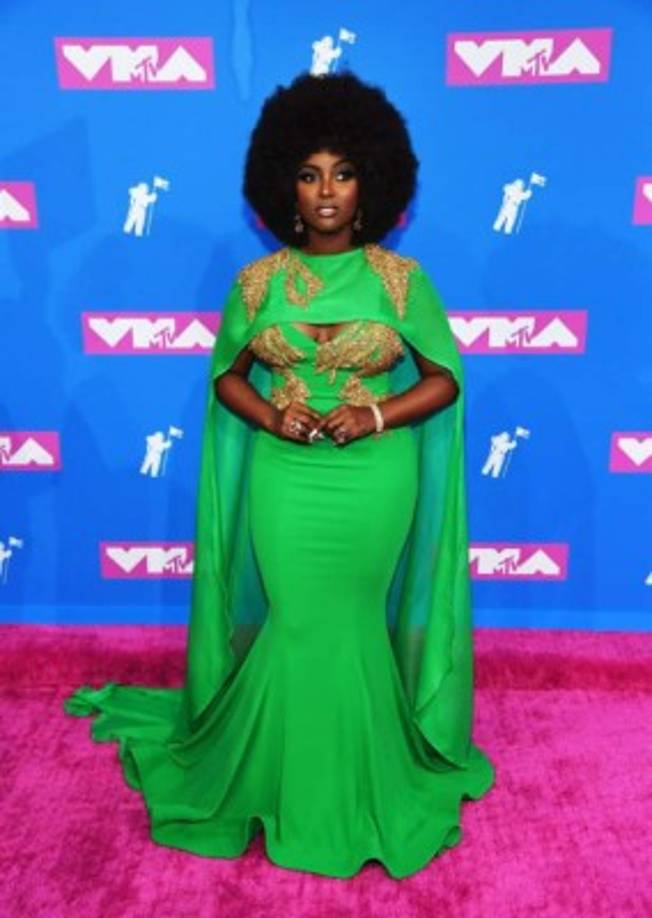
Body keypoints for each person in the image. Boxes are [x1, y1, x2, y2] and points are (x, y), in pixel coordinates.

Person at [63, 70, 495, 879]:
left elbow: (444, 380)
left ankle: (361, 784)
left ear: (372, 180)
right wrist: (271, 416)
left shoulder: (404, 283)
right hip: (283, 481)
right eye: (308, 173)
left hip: (374, 479)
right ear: (282, 188)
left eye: (343, 171)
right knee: (297, 618)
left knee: (351, 620)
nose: (326, 190)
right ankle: (280, 778)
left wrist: (372, 414)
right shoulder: (254, 286)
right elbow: (227, 376)